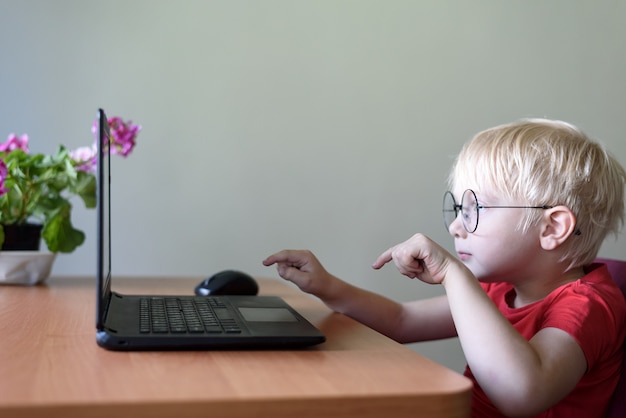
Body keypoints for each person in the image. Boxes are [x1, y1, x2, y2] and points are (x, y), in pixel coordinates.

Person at [263, 119, 626, 417]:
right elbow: (401, 320)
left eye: (474, 210)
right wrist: (326, 286)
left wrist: (454, 276)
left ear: (551, 229)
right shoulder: (499, 290)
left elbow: (523, 395)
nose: (455, 226)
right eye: (457, 210)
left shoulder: (588, 306)